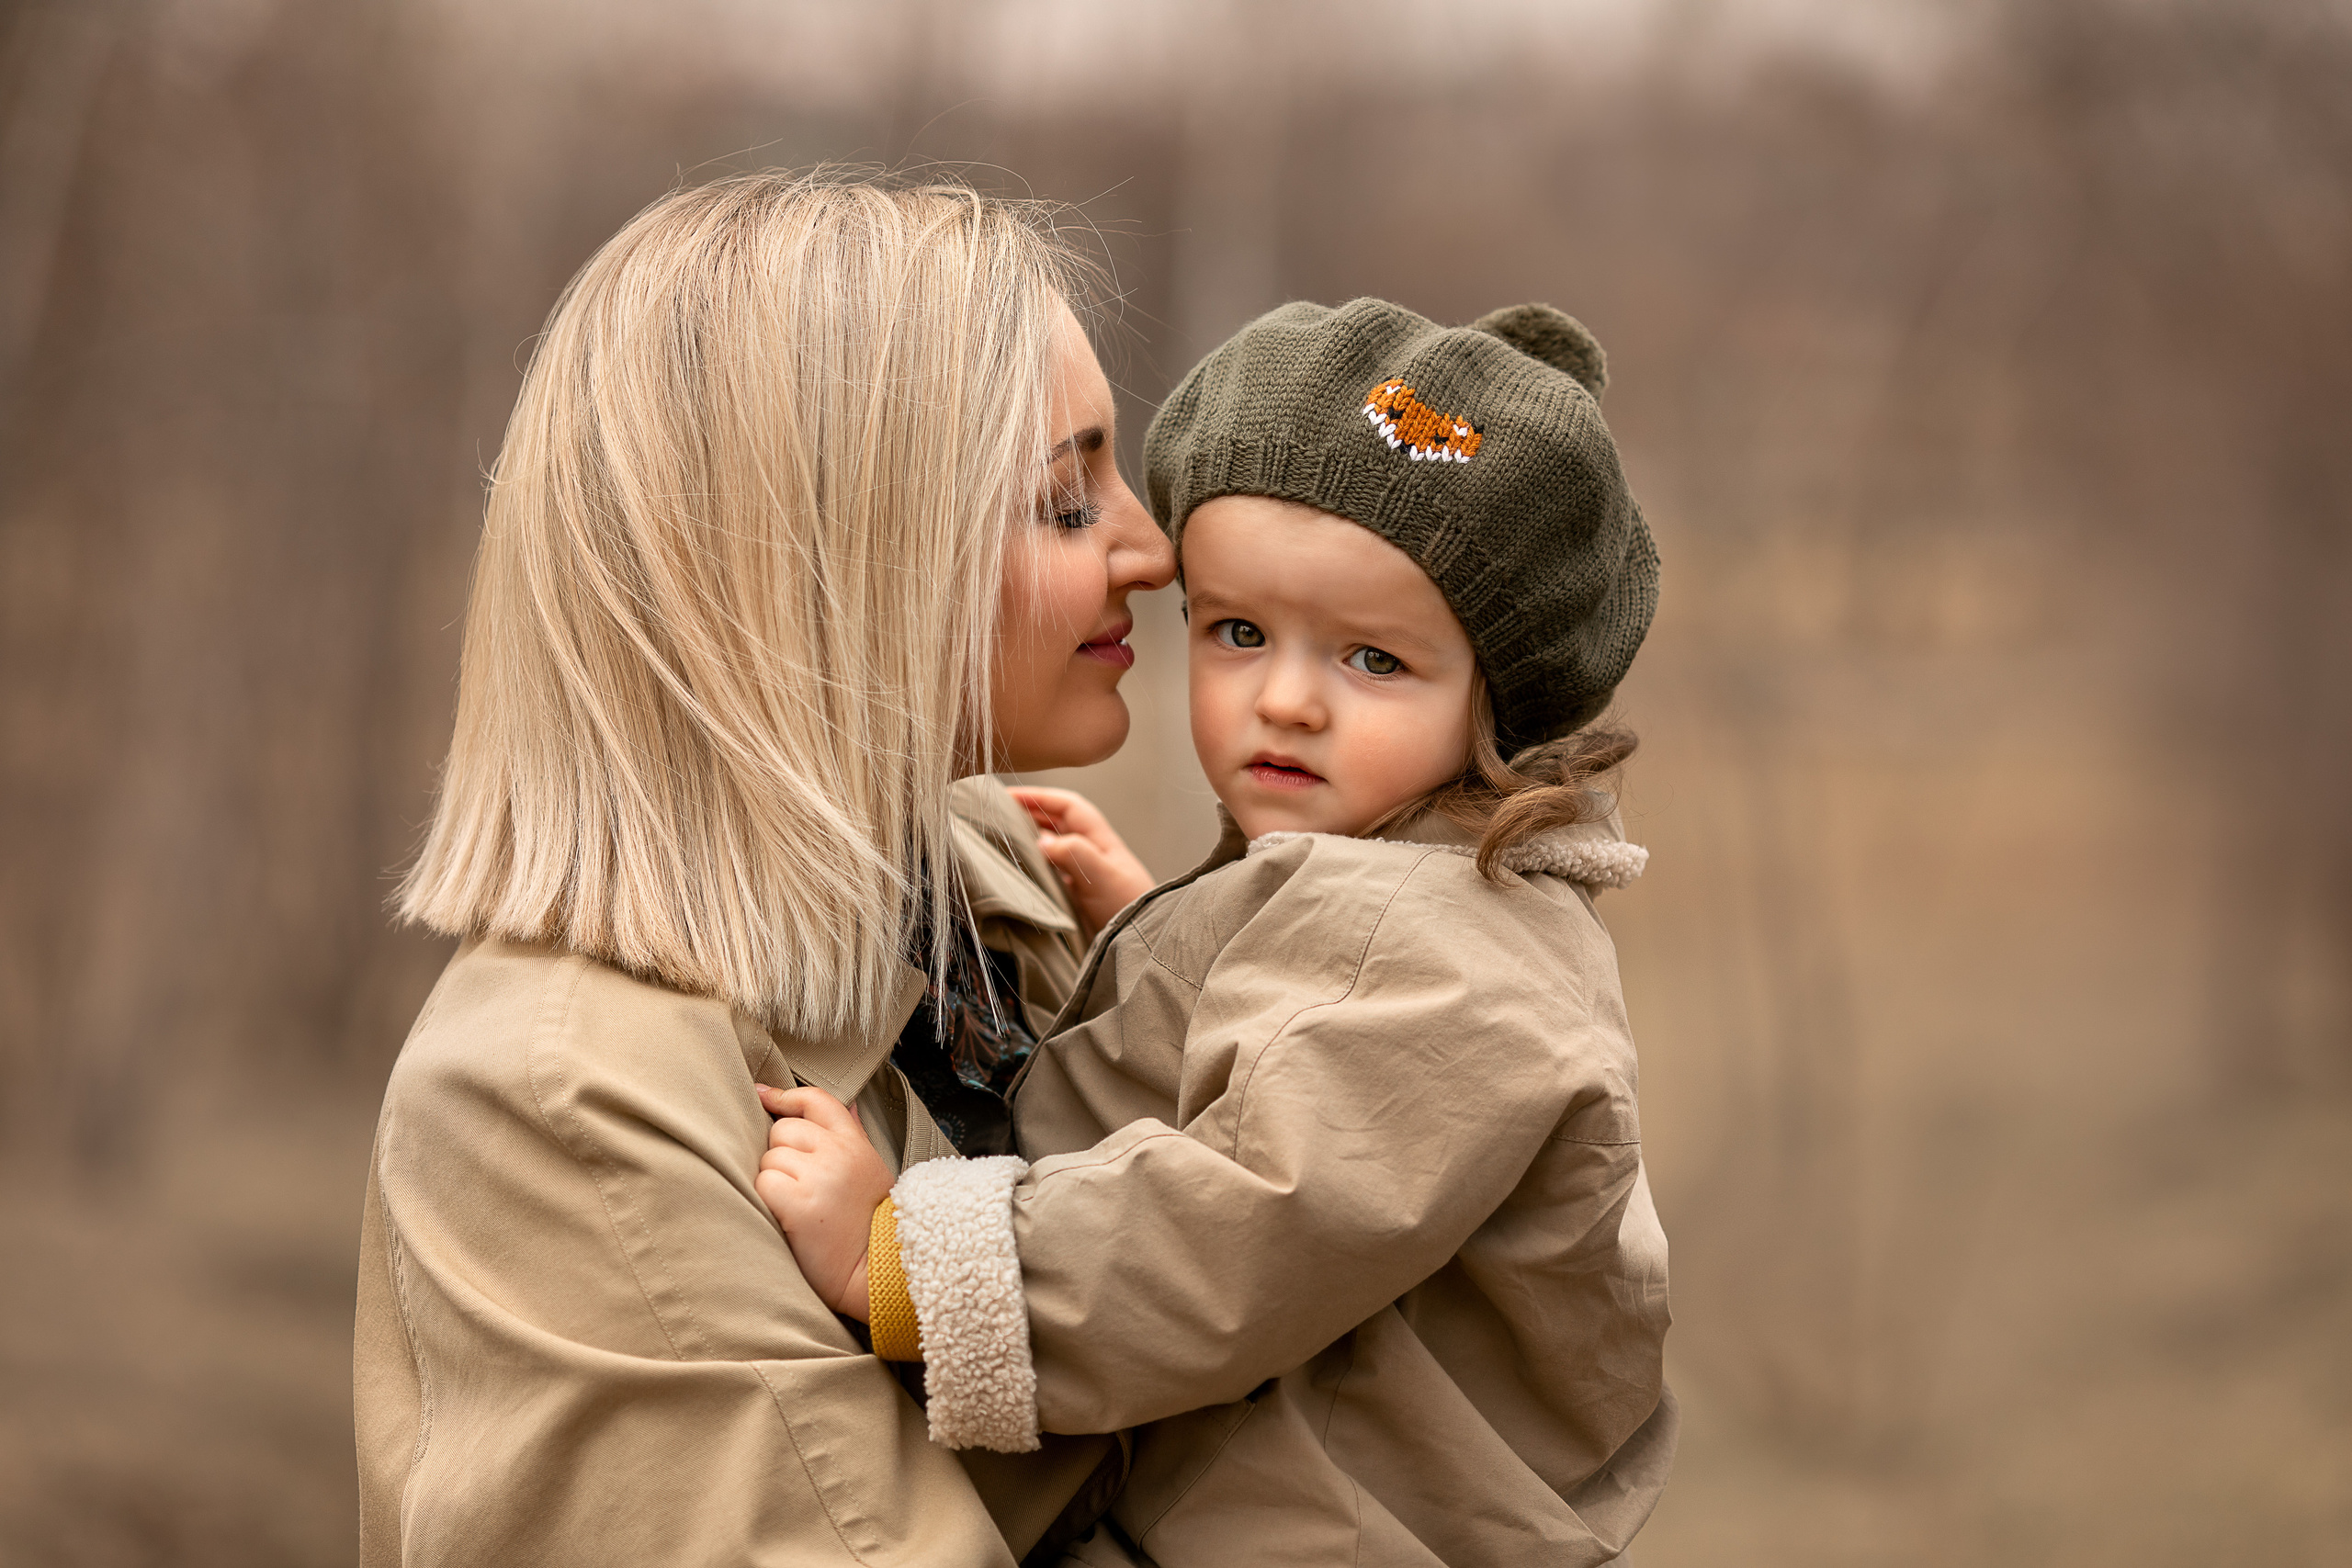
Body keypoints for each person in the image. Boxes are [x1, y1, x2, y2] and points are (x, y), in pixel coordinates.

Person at [760, 299, 1678, 1566]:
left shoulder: (1459, 961)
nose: (1288, 701)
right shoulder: (1391, 884)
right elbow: (1305, 1031)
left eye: (1374, 660)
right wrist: (1172, 935)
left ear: (1497, 696)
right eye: (1239, 632)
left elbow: (1231, 1229)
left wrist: (902, 1267)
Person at [355, 170, 1175, 1566]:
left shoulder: (1009, 896)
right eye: (1062, 501)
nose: (1152, 552)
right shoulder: (560, 1107)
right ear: (845, 562)